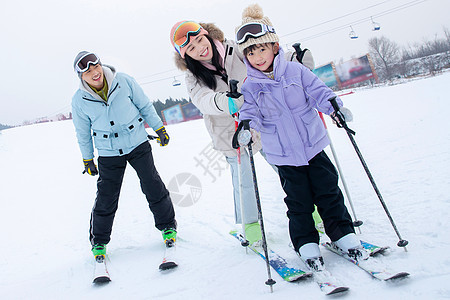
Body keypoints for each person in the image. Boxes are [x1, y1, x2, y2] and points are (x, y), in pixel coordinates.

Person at [234, 4, 369, 270]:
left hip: (313, 146)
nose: (258, 56)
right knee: (298, 202)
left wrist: (335, 108)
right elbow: (250, 112)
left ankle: (342, 233)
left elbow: (319, 92)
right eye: (251, 52)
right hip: (284, 156)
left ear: (274, 46)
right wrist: (247, 126)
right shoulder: (250, 87)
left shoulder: (296, 72)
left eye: (262, 48)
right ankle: (305, 242)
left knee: (329, 192)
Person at [169, 20, 316, 246]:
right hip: (232, 133)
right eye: (191, 48)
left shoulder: (233, 49)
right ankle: (252, 227)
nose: (200, 48)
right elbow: (202, 100)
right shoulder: (193, 77)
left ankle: (313, 212)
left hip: (263, 121)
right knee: (244, 182)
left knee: (289, 170)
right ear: (184, 55)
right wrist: (225, 102)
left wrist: (294, 61)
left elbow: (263, 59)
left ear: (207, 35)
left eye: (200, 40)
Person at [71, 51, 177, 260]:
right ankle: (99, 241)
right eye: (88, 71)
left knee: (152, 184)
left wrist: (159, 129)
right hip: (109, 152)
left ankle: (168, 227)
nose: (95, 73)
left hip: (137, 142)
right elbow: (82, 133)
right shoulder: (79, 100)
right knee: (106, 196)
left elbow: (145, 106)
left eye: (96, 67)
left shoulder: (123, 81)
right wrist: (87, 159)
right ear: (81, 77)